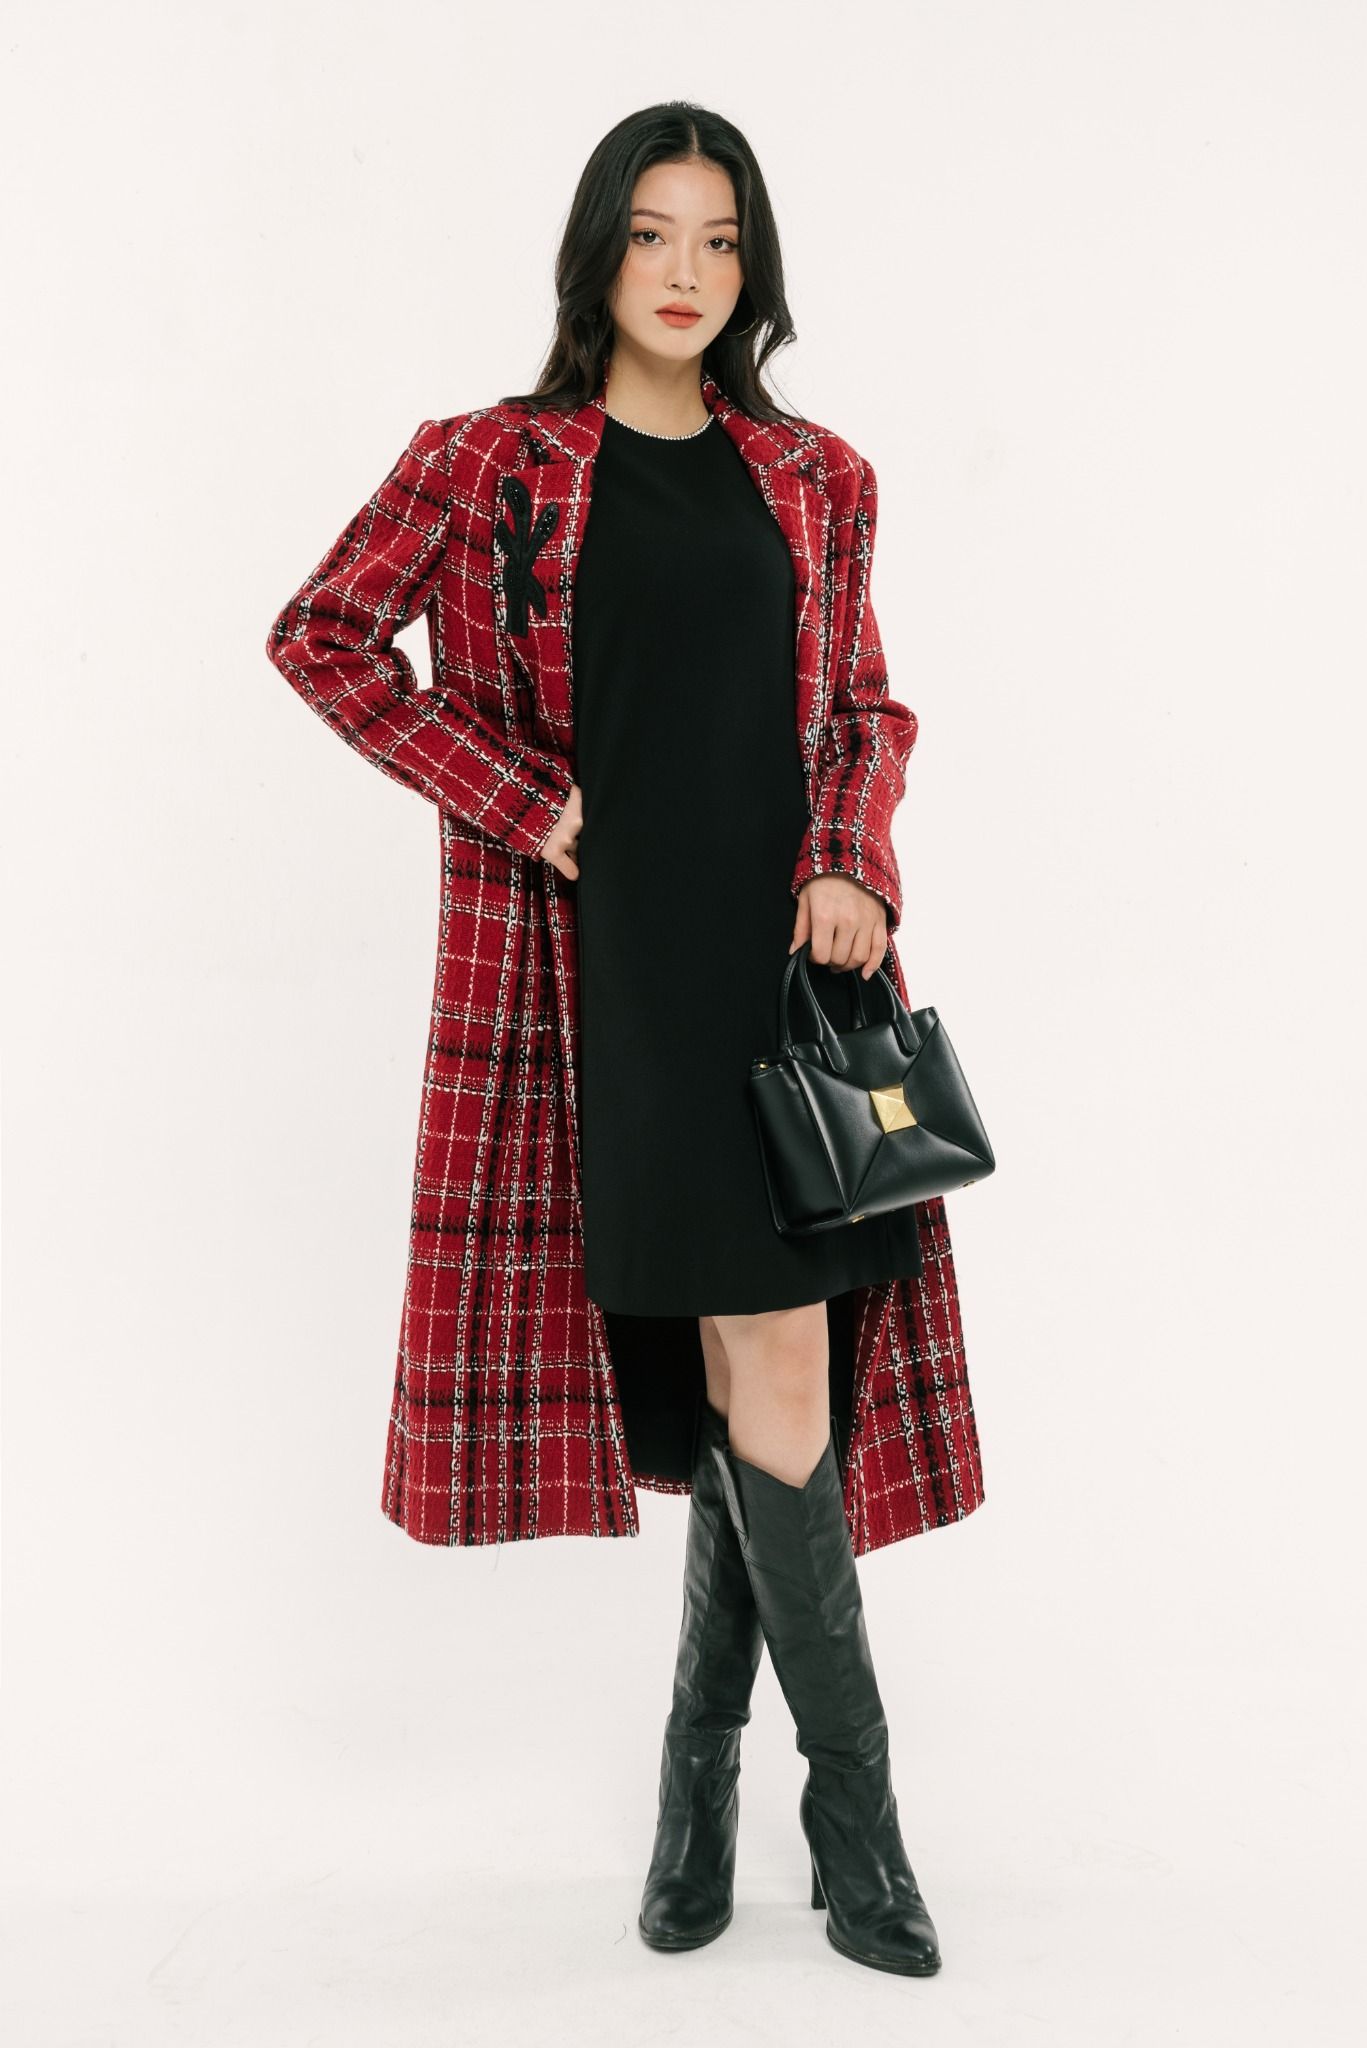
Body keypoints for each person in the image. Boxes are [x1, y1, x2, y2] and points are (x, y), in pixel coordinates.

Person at [266, 99, 985, 1979]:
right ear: (597, 251)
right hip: (597, 984)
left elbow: (862, 709)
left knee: (777, 1366)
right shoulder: (487, 461)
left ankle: (764, 1803)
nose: (687, 273)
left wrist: (854, 861)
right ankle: (801, 1815)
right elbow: (324, 637)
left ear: (755, 268)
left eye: (721, 241)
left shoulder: (817, 474)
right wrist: (525, 796)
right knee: (750, 1371)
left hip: (786, 968)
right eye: (654, 234)